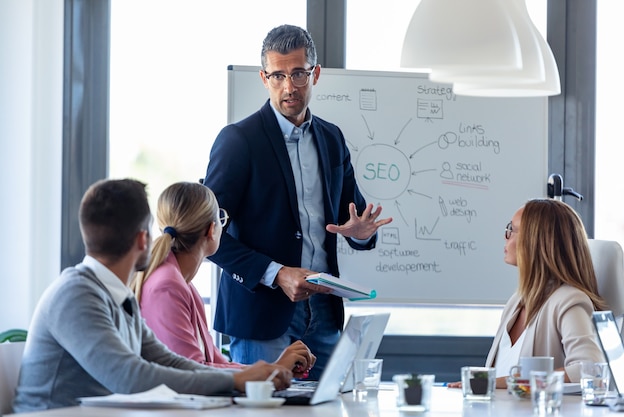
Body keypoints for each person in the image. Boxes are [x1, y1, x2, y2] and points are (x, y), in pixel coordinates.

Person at [202, 24, 392, 379]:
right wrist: (277, 274)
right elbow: (206, 237)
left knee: (328, 406)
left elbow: (352, 220)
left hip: (324, 312)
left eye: (299, 74)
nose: (289, 87)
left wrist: (362, 232)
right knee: (265, 408)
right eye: (278, 76)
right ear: (264, 78)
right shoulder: (238, 141)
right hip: (262, 313)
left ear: (315, 74)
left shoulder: (332, 139)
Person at [13, 179, 292, 412]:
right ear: (142, 239)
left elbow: (168, 361)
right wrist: (236, 380)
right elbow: (130, 377)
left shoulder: (118, 296)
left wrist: (245, 377)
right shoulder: (75, 295)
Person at [132, 181, 315, 376]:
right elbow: (193, 373)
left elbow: (213, 362)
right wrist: (273, 371)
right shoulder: (167, 286)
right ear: (212, 230)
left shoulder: (182, 283)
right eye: (221, 218)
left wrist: (274, 370)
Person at [451, 198, 606, 389]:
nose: (505, 236)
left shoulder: (569, 301)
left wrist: (498, 382)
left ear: (535, 241)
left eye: (512, 229)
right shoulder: (516, 301)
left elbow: (590, 368)